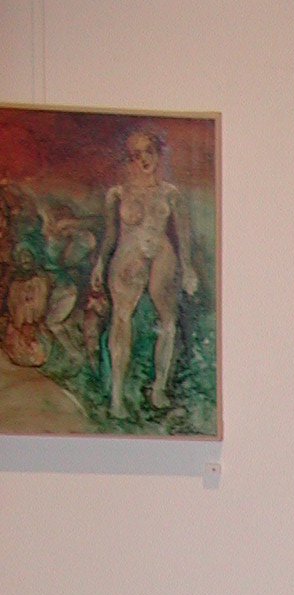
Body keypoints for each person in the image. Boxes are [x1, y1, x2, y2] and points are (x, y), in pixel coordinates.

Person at [89, 129, 198, 419]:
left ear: (158, 154)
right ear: (129, 160)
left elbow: (182, 235)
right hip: (128, 258)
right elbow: (110, 235)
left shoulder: (170, 194)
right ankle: (116, 397)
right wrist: (100, 264)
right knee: (121, 320)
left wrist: (187, 267)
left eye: (149, 151)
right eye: (136, 155)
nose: (144, 160)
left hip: (162, 254)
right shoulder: (117, 194)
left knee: (168, 321)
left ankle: (158, 388)